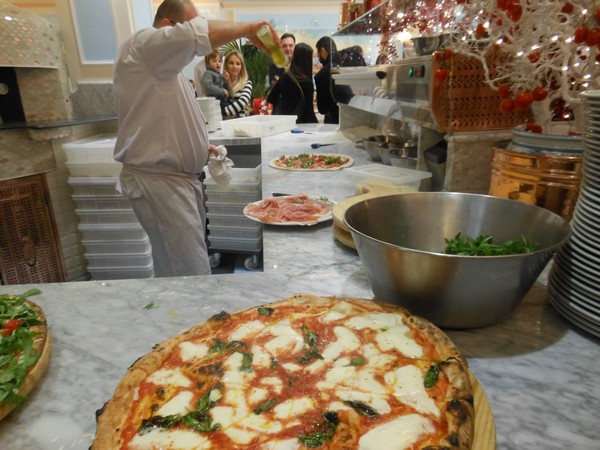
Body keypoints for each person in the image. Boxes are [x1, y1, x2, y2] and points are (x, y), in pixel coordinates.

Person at [112, 0, 278, 277]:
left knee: (181, 268)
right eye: (190, 24)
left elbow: (165, 119)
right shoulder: (142, 44)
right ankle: (193, 319)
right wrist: (248, 29)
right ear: (166, 28)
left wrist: (200, 148)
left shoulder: (162, 68)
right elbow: (193, 35)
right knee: (190, 275)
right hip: (160, 184)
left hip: (170, 181)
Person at [267, 43, 317, 124]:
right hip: (302, 124)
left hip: (285, 122)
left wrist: (285, 103)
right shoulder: (306, 82)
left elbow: (271, 98)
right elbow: (309, 110)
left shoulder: (285, 76)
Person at [314, 36, 339, 124]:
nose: (317, 56)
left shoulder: (321, 75)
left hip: (333, 122)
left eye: (318, 52)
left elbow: (322, 109)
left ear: (323, 51)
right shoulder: (345, 65)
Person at [222, 50, 253, 118]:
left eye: (238, 64)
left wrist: (223, 112)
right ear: (226, 65)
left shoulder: (247, 83)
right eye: (231, 63)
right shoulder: (220, 82)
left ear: (242, 67)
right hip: (222, 125)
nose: (234, 66)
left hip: (240, 124)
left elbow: (242, 102)